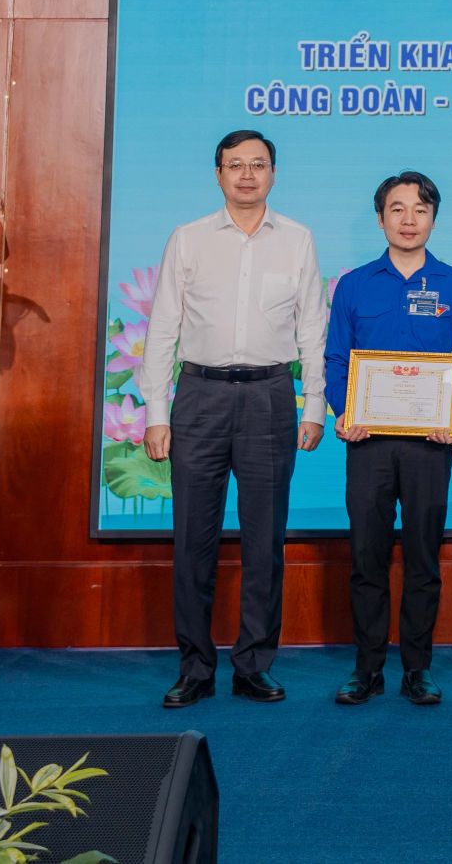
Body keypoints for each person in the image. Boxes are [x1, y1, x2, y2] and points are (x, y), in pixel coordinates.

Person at [140, 129, 327, 709]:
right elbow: (163, 327)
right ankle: (195, 668)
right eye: (235, 165)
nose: (247, 174)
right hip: (199, 396)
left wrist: (313, 405)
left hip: (270, 397)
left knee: (264, 540)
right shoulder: (189, 238)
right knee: (192, 540)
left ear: (274, 173)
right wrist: (156, 412)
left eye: (258, 164)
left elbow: (312, 328)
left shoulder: (297, 239)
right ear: (218, 174)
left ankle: (253, 665)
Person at [323, 171, 452, 707]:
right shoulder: (354, 285)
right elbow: (336, 359)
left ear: (434, 218)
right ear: (380, 217)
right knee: (367, 556)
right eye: (397, 209)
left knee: (423, 557)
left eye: (420, 210)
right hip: (368, 442)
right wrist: (345, 410)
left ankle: (417, 668)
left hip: (431, 442)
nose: (409, 220)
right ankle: (367, 668)